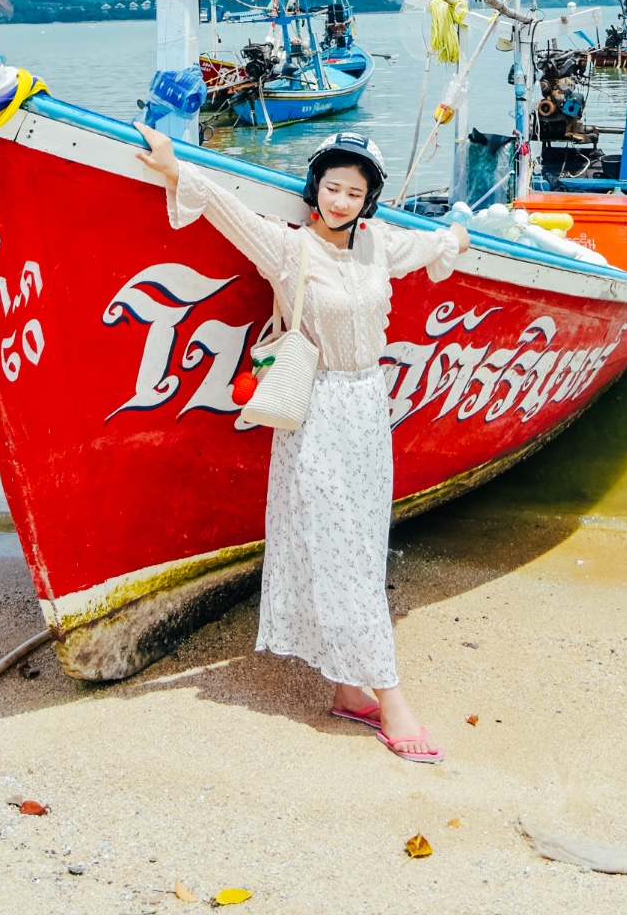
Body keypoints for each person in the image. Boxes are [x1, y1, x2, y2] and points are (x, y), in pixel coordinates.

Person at [135, 122, 469, 764]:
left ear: (368, 200)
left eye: (354, 191)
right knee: (339, 551)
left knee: (363, 549)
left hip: (370, 412)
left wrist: (455, 234)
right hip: (315, 413)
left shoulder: (376, 247)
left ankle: (348, 690)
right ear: (316, 188)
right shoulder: (292, 249)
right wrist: (178, 168)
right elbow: (228, 213)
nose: (340, 200)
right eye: (332, 187)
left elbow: (426, 247)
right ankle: (389, 698)